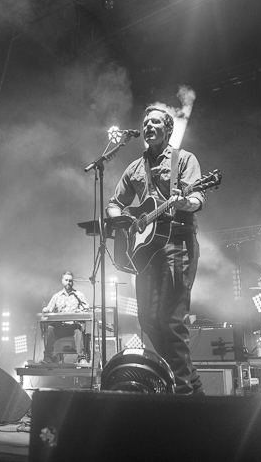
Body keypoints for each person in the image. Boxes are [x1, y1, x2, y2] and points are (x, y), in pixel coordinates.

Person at [106, 103, 206, 395]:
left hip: (178, 243)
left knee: (171, 320)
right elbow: (114, 204)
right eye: (145, 122)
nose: (148, 126)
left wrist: (184, 201)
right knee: (147, 319)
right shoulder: (134, 168)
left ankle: (184, 391)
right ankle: (187, 381)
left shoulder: (184, 159)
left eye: (155, 122)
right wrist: (125, 223)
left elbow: (198, 198)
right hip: (147, 251)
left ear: (169, 129)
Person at [41, 271, 90, 364]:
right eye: (66, 280)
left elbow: (86, 309)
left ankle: (81, 357)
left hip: (73, 327)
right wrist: (46, 310)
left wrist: (81, 311)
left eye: (70, 281)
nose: (68, 282)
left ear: (73, 282)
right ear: (62, 281)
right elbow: (49, 309)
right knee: (50, 329)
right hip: (60, 327)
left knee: (79, 329)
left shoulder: (79, 295)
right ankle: (48, 357)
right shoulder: (57, 296)